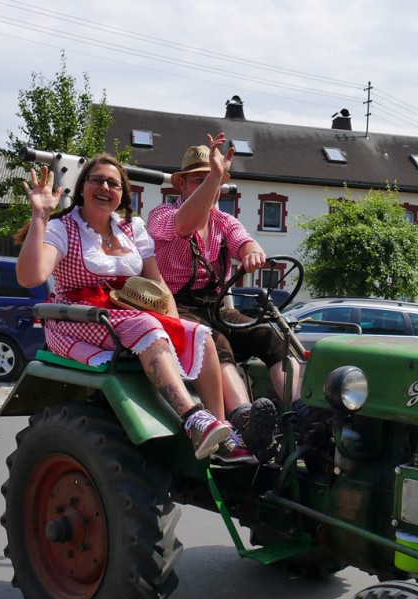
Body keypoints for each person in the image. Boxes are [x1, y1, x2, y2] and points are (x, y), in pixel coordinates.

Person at [16, 154, 233, 461]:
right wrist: (39, 216)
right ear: (83, 188)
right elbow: (30, 277)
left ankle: (221, 430)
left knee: (201, 334)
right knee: (147, 326)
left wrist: (175, 326)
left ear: (122, 194)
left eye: (113, 183)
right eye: (97, 180)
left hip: (124, 314)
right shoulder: (62, 228)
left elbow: (158, 286)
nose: (105, 187)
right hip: (79, 318)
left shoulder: (132, 229)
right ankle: (193, 417)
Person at [147, 133, 300, 460]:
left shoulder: (224, 221)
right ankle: (245, 422)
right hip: (174, 307)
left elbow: (245, 241)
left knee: (271, 337)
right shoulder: (162, 216)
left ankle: (299, 415)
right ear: (182, 186)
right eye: (198, 181)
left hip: (214, 306)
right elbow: (184, 224)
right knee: (217, 344)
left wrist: (253, 253)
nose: (206, 188)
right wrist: (216, 177)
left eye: (211, 181)